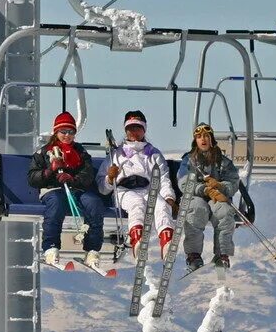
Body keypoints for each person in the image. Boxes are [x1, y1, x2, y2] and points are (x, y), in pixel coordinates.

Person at [27, 111, 106, 268]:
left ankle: (92, 250)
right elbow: (32, 178)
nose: (67, 135)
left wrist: (73, 179)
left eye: (70, 132)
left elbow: (87, 174)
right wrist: (49, 172)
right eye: (63, 131)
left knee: (94, 204)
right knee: (56, 204)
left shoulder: (80, 153)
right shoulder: (44, 152)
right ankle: (51, 248)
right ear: (56, 132)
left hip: (77, 189)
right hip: (53, 189)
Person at [98, 110, 176, 257]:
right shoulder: (116, 154)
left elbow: (163, 178)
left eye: (137, 128)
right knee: (136, 204)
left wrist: (168, 197)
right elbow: (102, 187)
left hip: (147, 190)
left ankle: (167, 242)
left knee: (161, 206)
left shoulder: (153, 154)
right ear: (126, 130)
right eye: (130, 128)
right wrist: (110, 178)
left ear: (144, 130)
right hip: (124, 191)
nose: (134, 132)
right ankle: (137, 239)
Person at [178, 122, 240, 271]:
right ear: (195, 141)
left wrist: (220, 186)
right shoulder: (189, 160)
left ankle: (222, 254)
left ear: (211, 139)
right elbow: (184, 182)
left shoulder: (222, 161)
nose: (203, 139)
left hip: (217, 198)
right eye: (199, 137)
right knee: (197, 210)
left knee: (224, 213)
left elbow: (233, 181)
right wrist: (204, 189)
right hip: (196, 196)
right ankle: (193, 255)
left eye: (206, 136)